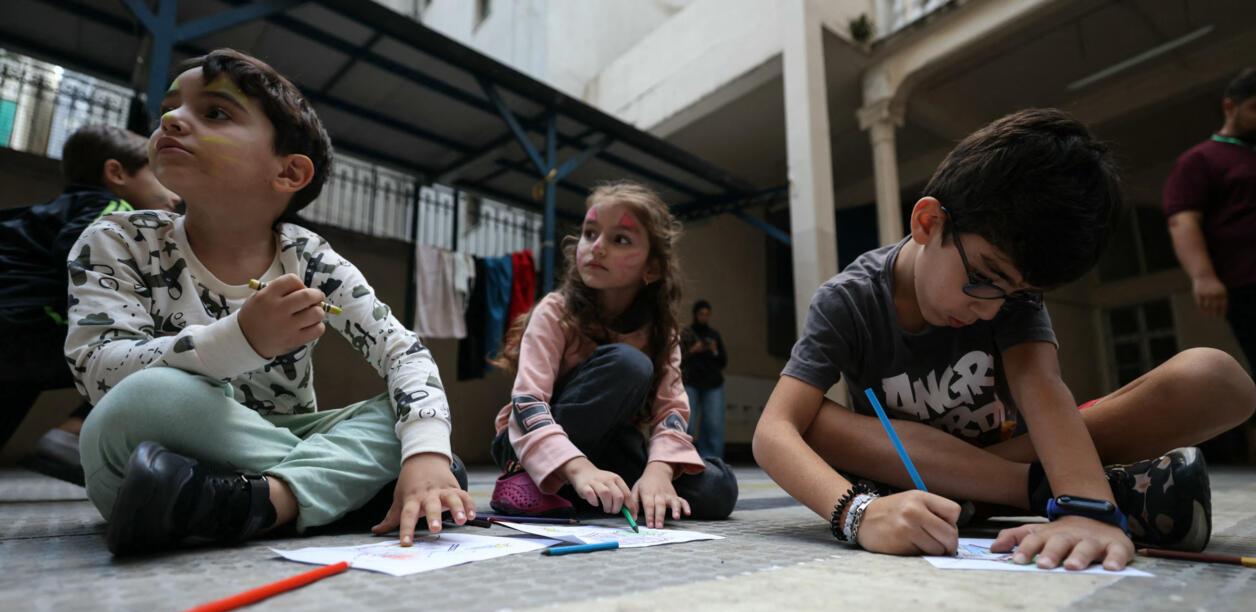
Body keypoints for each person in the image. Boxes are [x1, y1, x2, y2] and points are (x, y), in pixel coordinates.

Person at [754, 109, 1256, 571]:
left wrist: (1085, 511)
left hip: (995, 458)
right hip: (903, 469)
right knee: (809, 418)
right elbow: (773, 431)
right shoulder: (847, 301)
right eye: (984, 278)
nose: (990, 308)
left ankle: (1023, 490)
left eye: (1016, 292)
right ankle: (1059, 490)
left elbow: (1041, 385)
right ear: (929, 222)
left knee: (1214, 378)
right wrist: (859, 514)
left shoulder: (1007, 294)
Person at [65, 49, 471, 556]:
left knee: (411, 421)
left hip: (179, 494)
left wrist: (426, 452)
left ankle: (261, 503)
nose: (171, 118)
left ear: (289, 173)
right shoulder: (117, 238)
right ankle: (342, 491)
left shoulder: (309, 258)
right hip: (160, 459)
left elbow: (403, 353)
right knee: (142, 400)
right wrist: (239, 341)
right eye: (169, 108)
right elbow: (96, 371)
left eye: (214, 112)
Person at [488, 181, 738, 527]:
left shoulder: (662, 332)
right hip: (530, 443)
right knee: (629, 363)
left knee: (718, 488)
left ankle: (577, 492)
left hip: (611, 449)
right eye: (590, 233)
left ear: (651, 268)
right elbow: (528, 402)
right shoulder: (555, 311)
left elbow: (672, 411)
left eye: (620, 239)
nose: (597, 247)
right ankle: (536, 478)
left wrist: (658, 473)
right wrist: (578, 467)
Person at [0, 125, 179, 484]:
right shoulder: (112, 210)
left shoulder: (48, 211)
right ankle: (72, 432)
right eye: (160, 175)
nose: (175, 196)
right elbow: (80, 247)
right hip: (26, 328)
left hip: (18, 331)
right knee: (168, 341)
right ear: (116, 173)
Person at [1164, 63, 1256, 469]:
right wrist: (1203, 276)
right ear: (1231, 106)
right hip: (1254, 281)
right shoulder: (1203, 160)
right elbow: (1183, 220)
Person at [680, 299, 727, 458]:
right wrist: (693, 350)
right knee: (688, 422)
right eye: (701, 314)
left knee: (713, 423)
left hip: (713, 383)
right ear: (695, 314)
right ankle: (685, 457)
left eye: (707, 314)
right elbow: (677, 359)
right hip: (691, 381)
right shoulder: (686, 333)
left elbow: (723, 361)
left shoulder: (714, 335)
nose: (704, 317)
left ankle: (712, 460)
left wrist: (714, 350)